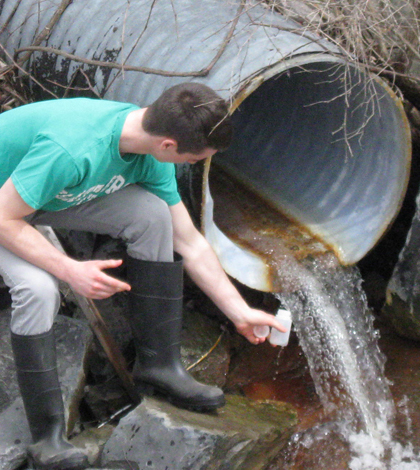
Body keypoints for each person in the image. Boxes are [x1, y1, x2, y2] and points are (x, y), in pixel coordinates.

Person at [0, 82, 286, 470]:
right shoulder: (72, 147)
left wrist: (239, 311)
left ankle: (160, 365)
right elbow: (5, 218)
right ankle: (48, 437)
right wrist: (69, 270)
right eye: (193, 159)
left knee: (152, 214)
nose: (190, 166)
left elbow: (190, 241)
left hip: (42, 198)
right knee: (39, 289)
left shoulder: (148, 148)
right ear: (169, 145)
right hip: (6, 208)